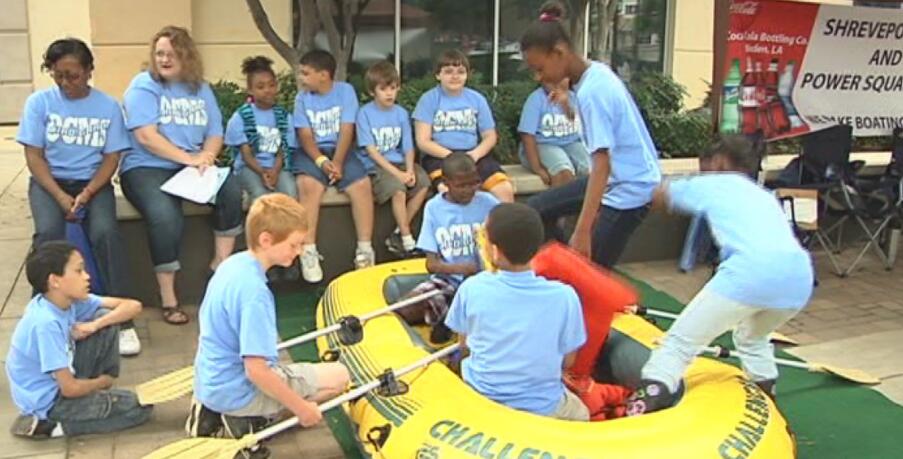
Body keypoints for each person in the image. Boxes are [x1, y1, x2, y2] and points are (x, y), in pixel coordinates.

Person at [626, 136, 814, 415]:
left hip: (750, 272)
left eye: (704, 166)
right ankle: (768, 405)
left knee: (678, 344)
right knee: (753, 339)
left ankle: (640, 409)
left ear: (719, 161)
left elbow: (659, 195)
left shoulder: (715, 181)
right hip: (798, 279)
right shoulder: (763, 194)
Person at [187, 194, 350, 458]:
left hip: (209, 381)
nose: (298, 252)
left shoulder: (232, 264)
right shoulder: (256, 294)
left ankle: (214, 410)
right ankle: (249, 421)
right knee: (339, 378)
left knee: (294, 380)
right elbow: (257, 371)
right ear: (266, 240)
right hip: (238, 389)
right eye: (294, 245)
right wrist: (302, 409)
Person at [17, 38, 141, 355]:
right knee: (48, 236)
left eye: (72, 75)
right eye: (57, 75)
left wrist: (85, 194)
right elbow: (34, 157)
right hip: (50, 183)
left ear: (88, 71)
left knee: (105, 234)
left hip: (93, 183)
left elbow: (111, 158)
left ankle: (123, 321)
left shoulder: (108, 106)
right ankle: (42, 317)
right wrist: (60, 197)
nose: (64, 83)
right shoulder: (39, 103)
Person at [520, 2, 662, 268]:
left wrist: (583, 230)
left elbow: (602, 163)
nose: (538, 77)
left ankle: (577, 273)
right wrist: (567, 106)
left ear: (559, 53)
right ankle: (565, 264)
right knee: (537, 208)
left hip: (628, 189)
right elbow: (597, 128)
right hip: (615, 178)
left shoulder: (592, 91)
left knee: (590, 272)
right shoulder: (593, 74)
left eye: (539, 68)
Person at [119, 26, 243, 325]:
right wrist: (189, 158)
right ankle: (169, 297)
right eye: (159, 53)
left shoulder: (200, 88)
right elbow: (147, 136)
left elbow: (215, 132)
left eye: (171, 54)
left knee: (230, 190)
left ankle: (220, 266)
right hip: (146, 166)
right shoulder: (143, 85)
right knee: (165, 215)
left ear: (186, 56)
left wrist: (207, 157)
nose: (164, 59)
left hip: (190, 165)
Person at [444, 203, 589, 421]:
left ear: (494, 250)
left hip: (482, 396)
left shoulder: (472, 288)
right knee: (582, 415)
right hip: (543, 405)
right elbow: (568, 361)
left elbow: (464, 346)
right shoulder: (565, 297)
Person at [6, 241, 150, 439]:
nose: (87, 277)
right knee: (138, 409)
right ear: (55, 281)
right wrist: (101, 382)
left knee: (104, 315)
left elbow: (132, 306)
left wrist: (95, 325)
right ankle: (51, 427)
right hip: (51, 402)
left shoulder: (66, 300)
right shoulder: (45, 323)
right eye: (79, 271)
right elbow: (69, 388)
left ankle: (96, 396)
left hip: (65, 382)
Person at [397, 153, 499, 343]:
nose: (469, 190)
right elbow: (431, 264)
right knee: (406, 308)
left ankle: (454, 321)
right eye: (462, 185)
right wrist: (461, 269)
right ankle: (451, 315)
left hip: (486, 283)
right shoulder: (434, 208)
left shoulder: (489, 203)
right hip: (449, 282)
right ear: (446, 182)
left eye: (474, 183)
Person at [293, 49, 375, 282]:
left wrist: (338, 162)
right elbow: (305, 134)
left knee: (362, 185)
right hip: (313, 153)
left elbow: (347, 128)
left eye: (306, 73)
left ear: (324, 75)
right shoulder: (302, 98)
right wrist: (321, 160)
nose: (301, 78)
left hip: (342, 149)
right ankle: (308, 250)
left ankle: (365, 249)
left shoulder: (345, 91)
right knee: (309, 186)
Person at [413, 50, 515, 203]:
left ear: (467, 75)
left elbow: (490, 136)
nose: (455, 76)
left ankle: (501, 227)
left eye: (460, 72)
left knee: (504, 189)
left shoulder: (477, 99)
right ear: (437, 75)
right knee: (447, 191)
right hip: (441, 157)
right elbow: (423, 141)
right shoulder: (428, 100)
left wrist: (475, 154)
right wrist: (453, 157)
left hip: (474, 155)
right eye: (448, 72)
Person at [356, 61, 430, 256]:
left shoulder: (401, 113)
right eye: (383, 89)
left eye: (393, 88)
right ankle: (407, 238)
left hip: (399, 162)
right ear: (373, 92)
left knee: (423, 183)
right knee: (398, 189)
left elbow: (407, 146)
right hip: (376, 165)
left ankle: (397, 233)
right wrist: (399, 174)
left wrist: (410, 170)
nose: (389, 93)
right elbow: (371, 151)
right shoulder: (364, 114)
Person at [225, 56, 298, 201]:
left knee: (290, 193)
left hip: (276, 166)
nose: (267, 90)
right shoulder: (241, 117)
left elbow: (282, 151)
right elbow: (246, 155)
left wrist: (275, 171)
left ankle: (288, 224)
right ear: (250, 90)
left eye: (271, 85)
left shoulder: (284, 117)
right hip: (249, 168)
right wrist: (263, 172)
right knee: (261, 196)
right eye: (260, 87)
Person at [518, 79, 589, 187]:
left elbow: (578, 122)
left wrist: (565, 105)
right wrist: (537, 168)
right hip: (543, 144)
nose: (555, 82)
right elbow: (527, 135)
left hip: (572, 143)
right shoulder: (536, 99)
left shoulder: (574, 98)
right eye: (550, 78)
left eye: (560, 78)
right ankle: (563, 203)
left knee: (593, 170)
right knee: (564, 174)